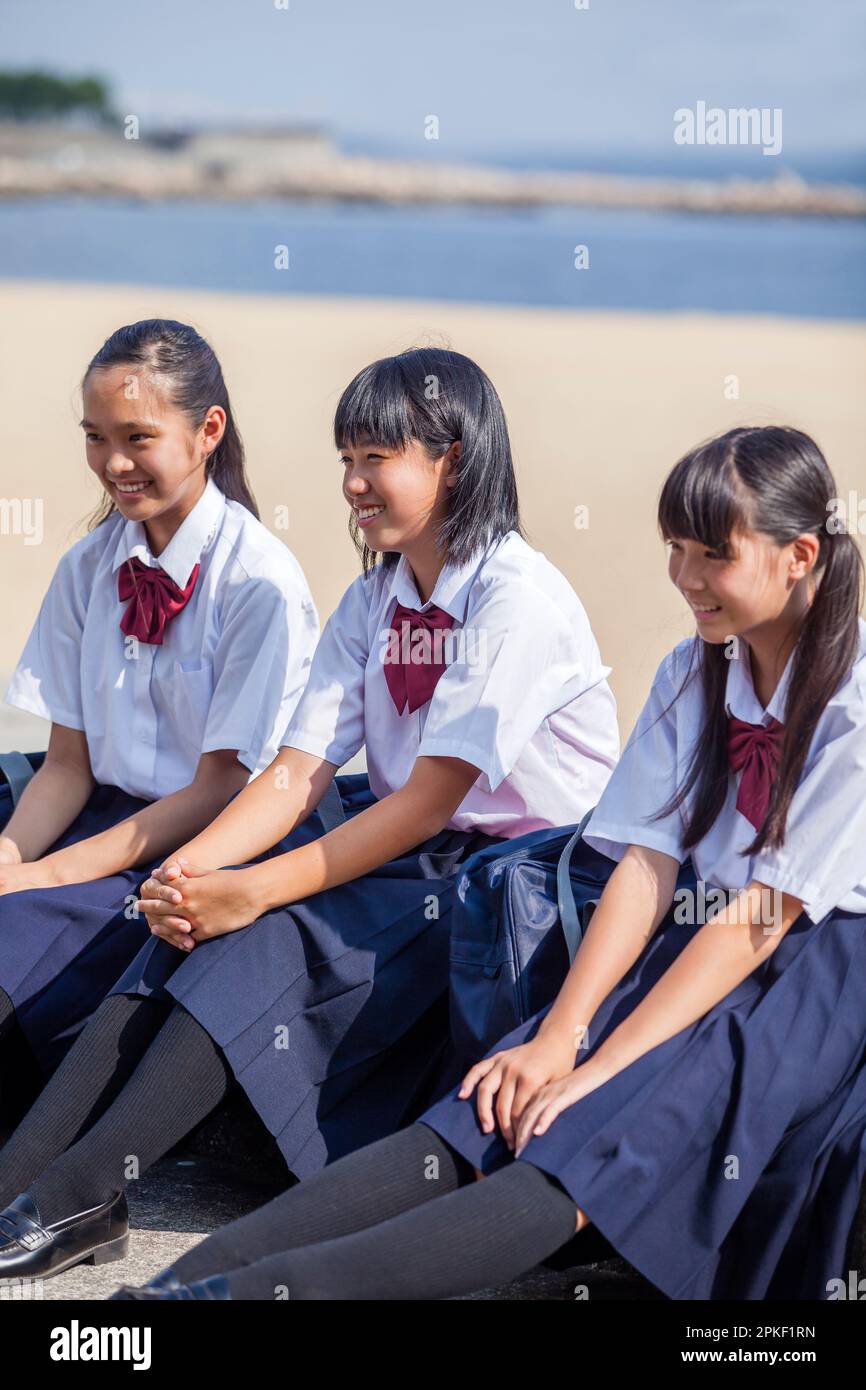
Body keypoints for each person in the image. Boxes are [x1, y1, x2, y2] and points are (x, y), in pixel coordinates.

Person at [111, 424, 866, 1303]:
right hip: (696, 936)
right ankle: (168, 1291)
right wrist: (559, 1034)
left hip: (810, 974)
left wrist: (597, 1069)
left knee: (583, 1149)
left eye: (714, 555)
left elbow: (763, 921)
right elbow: (643, 867)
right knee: (481, 1112)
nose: (687, 579)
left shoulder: (851, 700)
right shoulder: (692, 670)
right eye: (675, 550)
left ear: (799, 555)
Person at [0, 346, 619, 1281]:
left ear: (452, 458)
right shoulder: (374, 595)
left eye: (378, 458)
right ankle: (36, 1185)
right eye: (345, 460)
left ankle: (78, 1187)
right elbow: (292, 775)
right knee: (178, 916)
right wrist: (194, 875)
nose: (353, 484)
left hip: (512, 874)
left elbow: (427, 803)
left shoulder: (515, 598)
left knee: (262, 935)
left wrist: (249, 892)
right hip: (418, 846)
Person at [0, 318, 318, 1097]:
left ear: (208, 430)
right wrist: (11, 858)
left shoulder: (259, 583)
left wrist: (48, 876)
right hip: (89, 817)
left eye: (137, 437)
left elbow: (219, 788)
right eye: (94, 436)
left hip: (191, 846)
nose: (112, 463)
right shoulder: (87, 566)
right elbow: (65, 767)